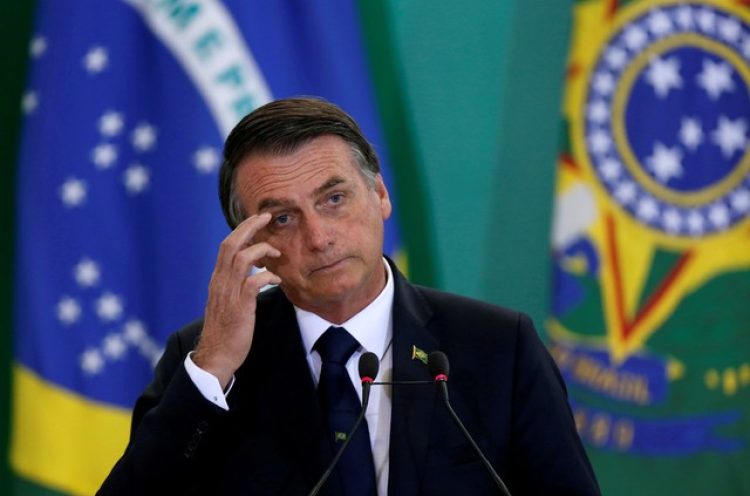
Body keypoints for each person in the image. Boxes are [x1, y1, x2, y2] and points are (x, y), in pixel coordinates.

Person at [99, 97, 600, 495]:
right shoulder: (208, 362)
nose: (319, 237)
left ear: (380, 195)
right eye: (282, 218)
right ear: (252, 245)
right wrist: (213, 369)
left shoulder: (496, 347)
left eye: (334, 199)